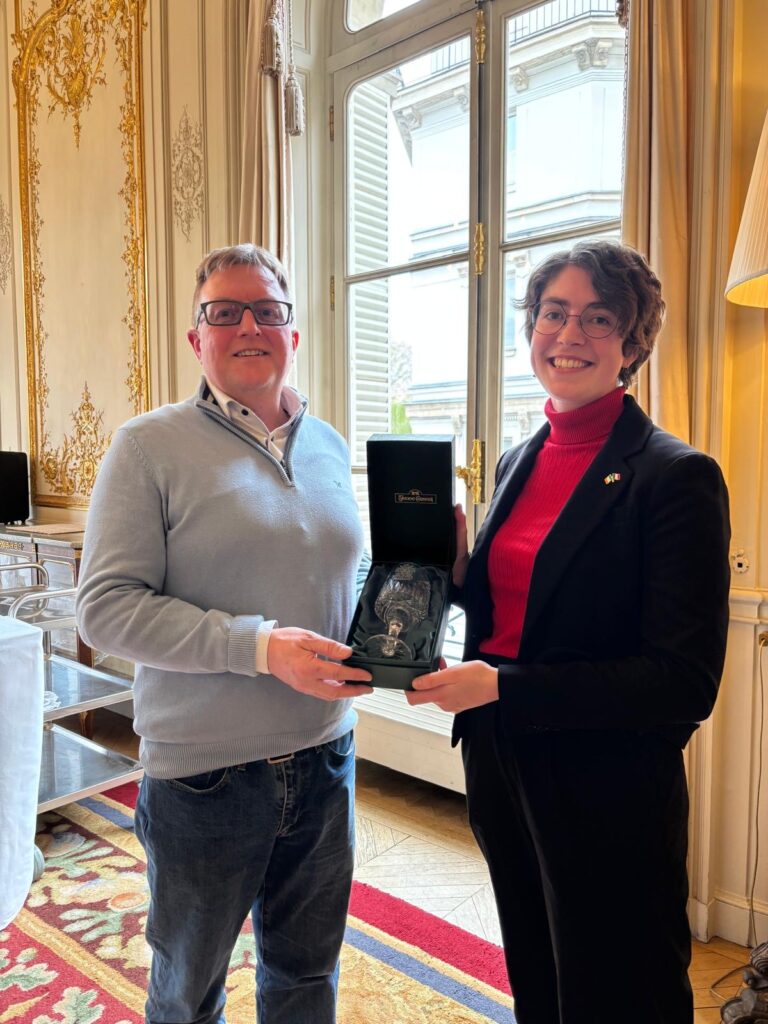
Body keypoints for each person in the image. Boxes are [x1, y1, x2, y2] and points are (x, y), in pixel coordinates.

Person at [407, 240, 731, 1024]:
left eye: (598, 318)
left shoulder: (675, 476)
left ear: (633, 343)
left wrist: (502, 687)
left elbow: (681, 683)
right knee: (538, 970)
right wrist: (458, 573)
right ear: (531, 329)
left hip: (608, 782)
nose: (569, 335)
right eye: (553, 314)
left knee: (621, 989)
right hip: (499, 760)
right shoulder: (517, 459)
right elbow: (526, 611)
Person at [76, 243, 373, 1024]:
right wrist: (260, 648)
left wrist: (416, 595)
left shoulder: (330, 445)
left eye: (267, 311)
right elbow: (105, 607)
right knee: (188, 993)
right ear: (196, 338)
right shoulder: (147, 447)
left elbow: (343, 580)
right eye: (225, 311)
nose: (248, 326)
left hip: (327, 757)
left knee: (306, 977)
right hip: (205, 778)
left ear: (292, 334)